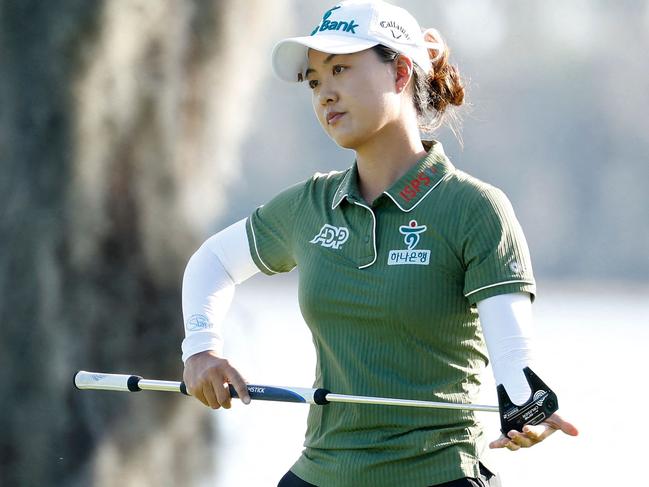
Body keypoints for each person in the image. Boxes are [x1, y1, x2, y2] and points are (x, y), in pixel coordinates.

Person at [180, 1, 578, 486]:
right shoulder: (310, 205)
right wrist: (200, 348)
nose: (325, 93)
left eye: (341, 69)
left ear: (401, 72)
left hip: (438, 475)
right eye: (313, 81)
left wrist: (525, 405)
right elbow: (213, 261)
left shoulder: (473, 208)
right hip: (322, 472)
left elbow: (514, 360)